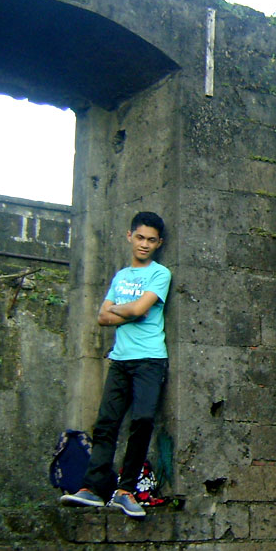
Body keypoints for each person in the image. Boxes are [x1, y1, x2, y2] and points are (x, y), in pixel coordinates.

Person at [62, 212, 171, 518]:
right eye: (140, 238)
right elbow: (102, 317)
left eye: (151, 240)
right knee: (106, 424)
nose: (145, 245)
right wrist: (131, 311)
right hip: (120, 360)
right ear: (129, 236)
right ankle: (93, 489)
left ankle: (125, 491)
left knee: (143, 420)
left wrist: (123, 310)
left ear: (159, 243)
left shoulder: (160, 274)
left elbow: (136, 310)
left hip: (150, 359)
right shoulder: (120, 277)